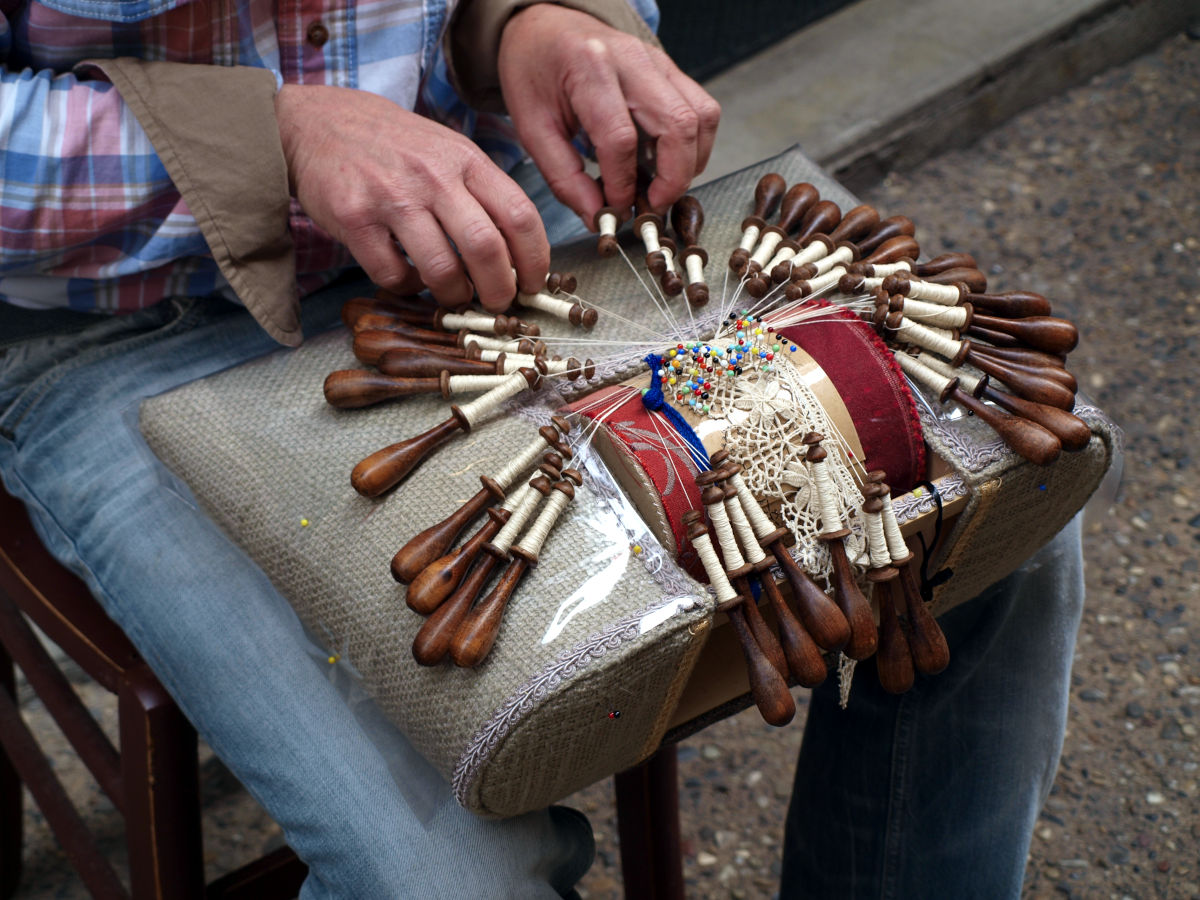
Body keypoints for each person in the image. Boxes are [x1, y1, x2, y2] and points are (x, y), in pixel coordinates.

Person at [0, 0, 717, 895]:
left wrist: (522, 23)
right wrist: (271, 138)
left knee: (935, 545)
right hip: (123, 321)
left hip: (476, 206)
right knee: (449, 883)